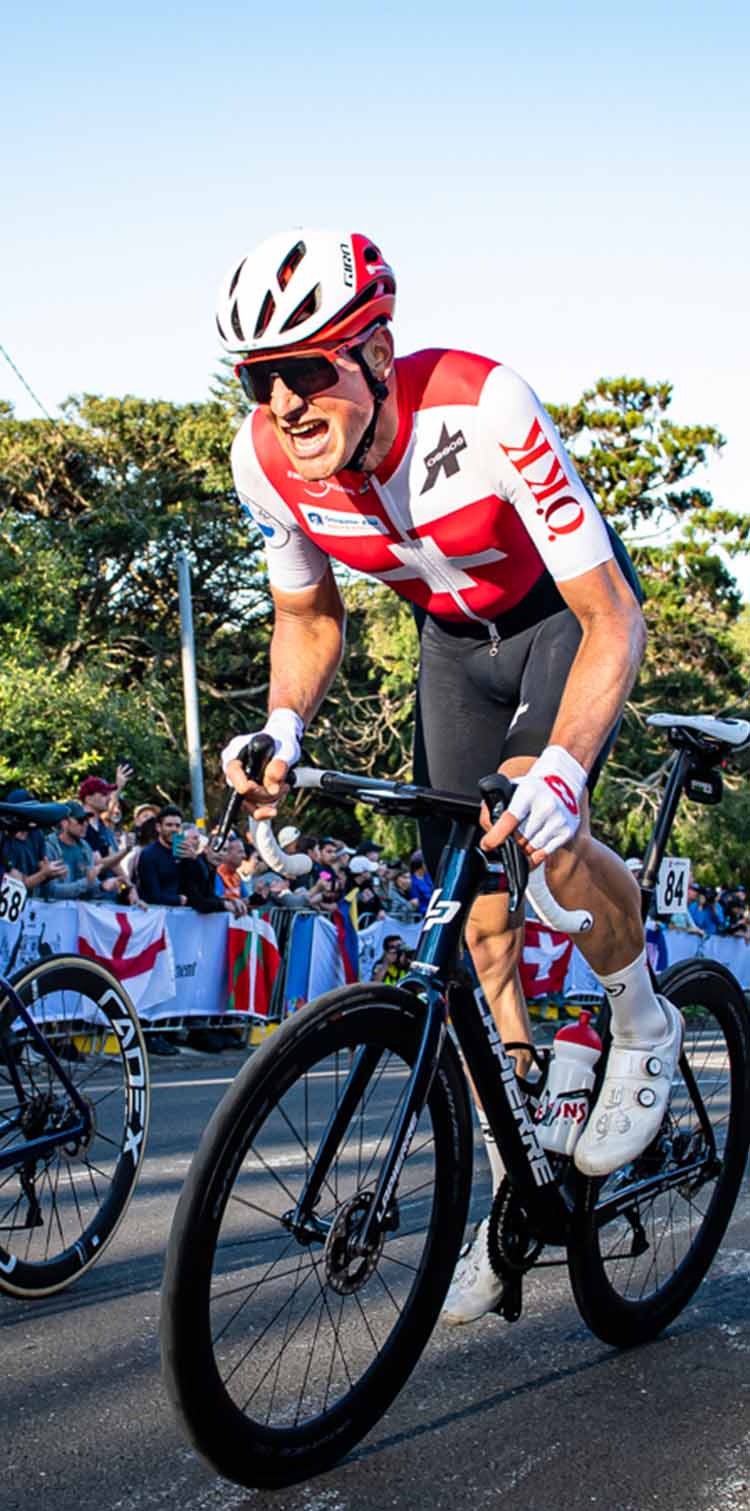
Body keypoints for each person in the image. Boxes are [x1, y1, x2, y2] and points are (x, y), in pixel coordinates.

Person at [217, 227, 682, 1324]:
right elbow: (308, 614)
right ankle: (521, 1160)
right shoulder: (264, 460)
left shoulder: (484, 408)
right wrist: (282, 726)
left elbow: (614, 615)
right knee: (472, 919)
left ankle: (640, 1015)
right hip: (451, 648)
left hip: (557, 621)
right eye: (258, 377)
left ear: (375, 353)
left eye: (306, 368)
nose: (282, 401)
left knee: (544, 839)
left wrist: (562, 768)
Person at [44, 803, 121, 901]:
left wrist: (102, 886)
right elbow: (51, 892)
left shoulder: (85, 847)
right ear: (64, 823)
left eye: (87, 820)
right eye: (80, 820)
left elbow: (92, 888)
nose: (86, 824)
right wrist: (87, 882)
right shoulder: (49, 847)